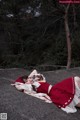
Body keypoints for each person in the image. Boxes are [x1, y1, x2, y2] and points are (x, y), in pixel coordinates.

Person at [11, 70, 80, 113]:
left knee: (75, 79)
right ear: (25, 83)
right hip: (55, 93)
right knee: (74, 101)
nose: (30, 79)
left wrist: (29, 78)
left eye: (29, 78)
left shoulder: (36, 80)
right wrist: (25, 82)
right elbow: (19, 86)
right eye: (27, 80)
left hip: (56, 88)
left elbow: (34, 71)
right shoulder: (30, 86)